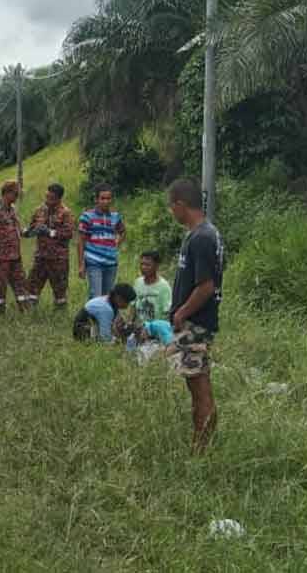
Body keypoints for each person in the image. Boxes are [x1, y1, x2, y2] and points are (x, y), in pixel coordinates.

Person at [167, 178, 225, 453]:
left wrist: (181, 313)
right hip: (194, 322)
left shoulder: (202, 237)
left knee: (200, 389)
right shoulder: (202, 233)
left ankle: (201, 449)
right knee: (197, 385)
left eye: (171, 207)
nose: (171, 212)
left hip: (195, 324)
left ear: (180, 204)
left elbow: (206, 286)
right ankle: (201, 443)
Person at [24, 183, 75, 308]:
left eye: (51, 198)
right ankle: (31, 313)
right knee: (32, 287)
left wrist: (50, 232)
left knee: (60, 291)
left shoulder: (66, 213)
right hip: (41, 257)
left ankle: (60, 316)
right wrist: (28, 232)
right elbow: (31, 228)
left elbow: (69, 233)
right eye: (47, 197)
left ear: (59, 198)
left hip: (58, 259)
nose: (48, 200)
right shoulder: (39, 210)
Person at [0, 180, 27, 313]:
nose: (16, 197)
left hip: (15, 255)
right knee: (0, 285)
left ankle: (24, 309)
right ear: (7, 193)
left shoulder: (12, 209)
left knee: (20, 282)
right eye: (15, 194)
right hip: (1, 257)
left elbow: (19, 228)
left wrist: (30, 231)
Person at [78, 183, 126, 298]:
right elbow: (80, 241)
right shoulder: (87, 216)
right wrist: (81, 265)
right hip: (94, 262)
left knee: (108, 296)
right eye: (102, 198)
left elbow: (123, 231)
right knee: (96, 295)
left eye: (108, 198)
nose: (105, 201)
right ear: (96, 199)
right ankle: (92, 316)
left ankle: (105, 316)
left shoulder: (115, 216)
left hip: (111, 262)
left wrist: (117, 243)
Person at [72, 283, 136, 342]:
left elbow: (117, 324)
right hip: (82, 331)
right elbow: (105, 337)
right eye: (127, 302)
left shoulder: (109, 300)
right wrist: (117, 340)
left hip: (90, 327)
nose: (127, 305)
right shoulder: (106, 309)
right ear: (118, 298)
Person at [133, 250, 172, 323]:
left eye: (148, 265)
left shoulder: (164, 287)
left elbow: (167, 313)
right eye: (142, 264)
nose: (143, 267)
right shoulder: (138, 282)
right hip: (139, 327)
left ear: (156, 266)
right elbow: (133, 307)